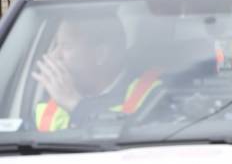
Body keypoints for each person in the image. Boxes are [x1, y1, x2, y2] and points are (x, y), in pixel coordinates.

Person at [33, 12, 161, 132]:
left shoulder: (153, 95)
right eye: (56, 45)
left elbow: (127, 142)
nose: (54, 56)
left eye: (67, 46)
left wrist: (75, 104)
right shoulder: (49, 104)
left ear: (100, 54)